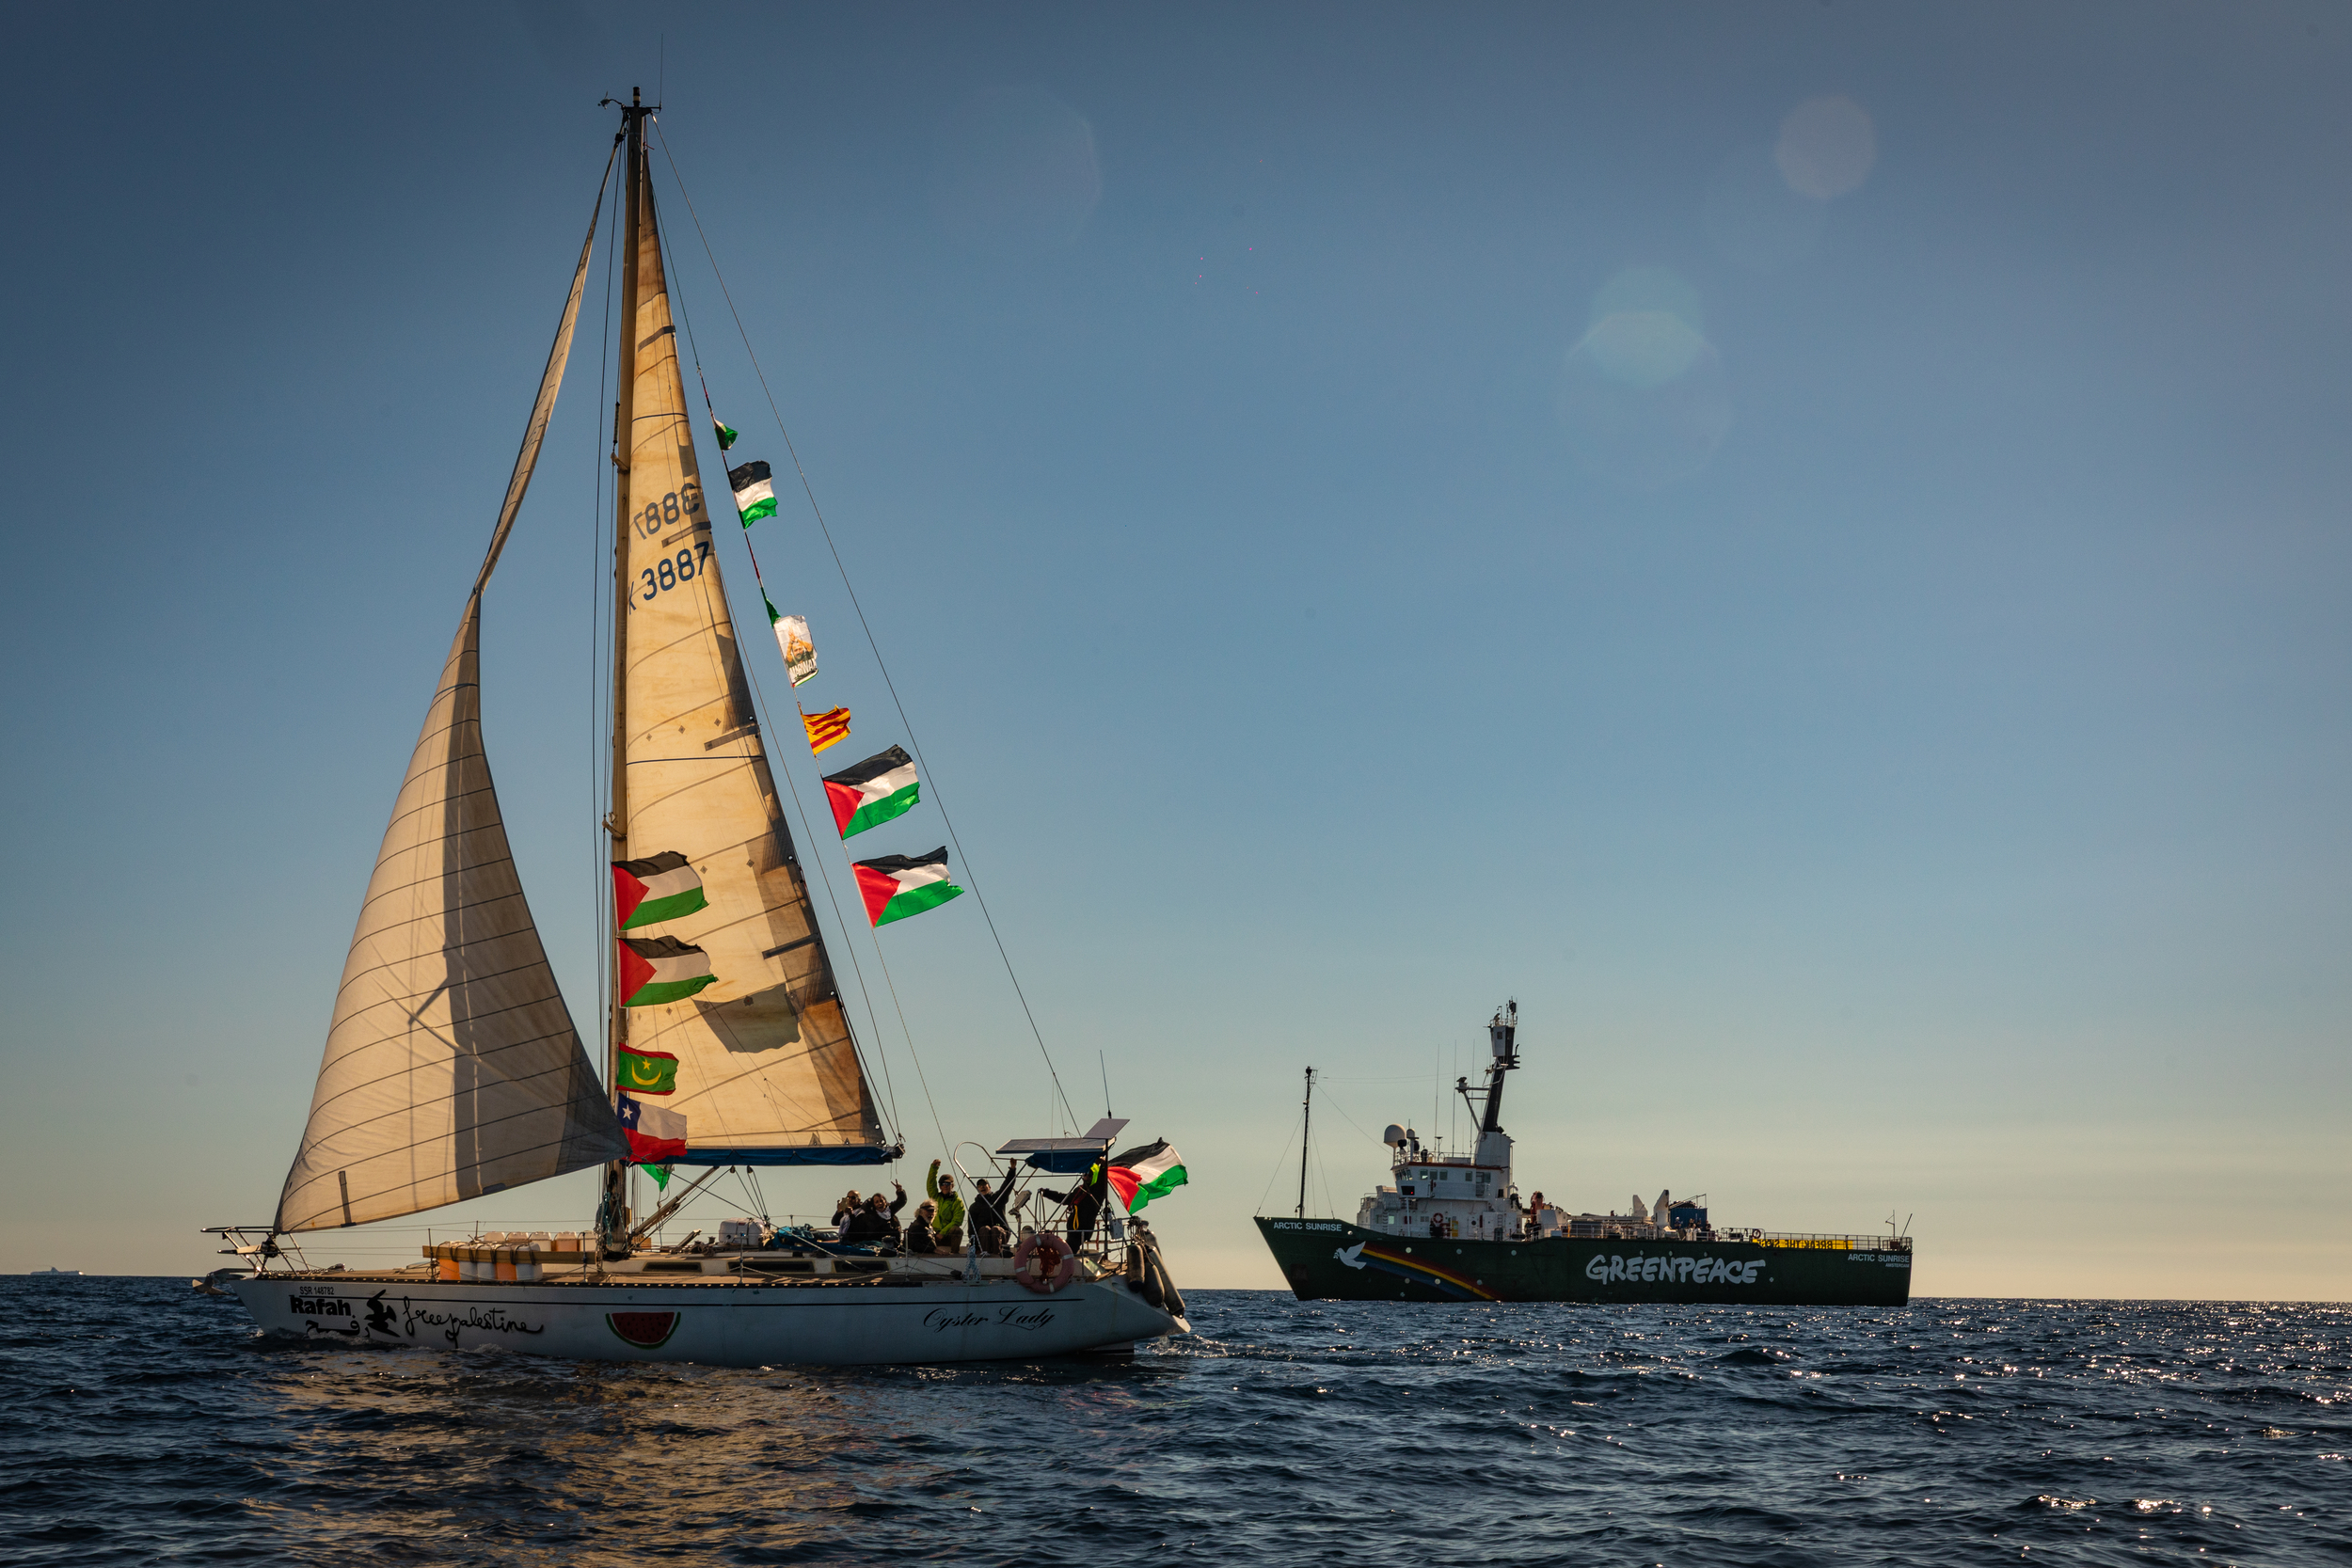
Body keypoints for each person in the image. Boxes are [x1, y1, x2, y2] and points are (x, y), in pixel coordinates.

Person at [1041, 1162, 1108, 1250]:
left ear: (1095, 1176)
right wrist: (1047, 1193)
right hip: (1073, 1230)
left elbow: (1102, 1179)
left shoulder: (1097, 1191)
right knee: (1067, 1249)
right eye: (1085, 1173)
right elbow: (1064, 1199)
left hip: (1082, 1230)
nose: (1087, 1176)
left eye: (1090, 1174)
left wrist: (1102, 1166)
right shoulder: (1079, 1190)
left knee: (1068, 1250)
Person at [926, 1160, 966, 1253]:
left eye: (948, 1184)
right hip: (934, 1233)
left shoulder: (957, 1202)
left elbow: (957, 1221)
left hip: (948, 1235)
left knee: (957, 1230)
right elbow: (930, 1185)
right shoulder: (935, 1198)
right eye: (942, 1184)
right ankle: (927, 1253)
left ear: (952, 1185)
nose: (945, 1186)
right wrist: (934, 1168)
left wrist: (943, 1233)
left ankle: (954, 1254)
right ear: (940, 1186)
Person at [969, 1176, 1012, 1258]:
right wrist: (974, 1246)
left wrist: (1012, 1171)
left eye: (984, 1184)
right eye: (979, 1185)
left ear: (989, 1187)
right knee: (985, 1229)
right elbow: (971, 1229)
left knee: (996, 1229)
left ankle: (996, 1255)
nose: (982, 1187)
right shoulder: (974, 1207)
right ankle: (985, 1255)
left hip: (1000, 1233)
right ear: (978, 1189)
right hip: (982, 1237)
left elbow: (1007, 1187)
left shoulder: (998, 1199)